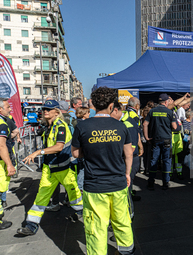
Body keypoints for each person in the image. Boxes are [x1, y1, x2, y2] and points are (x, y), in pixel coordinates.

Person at [71, 87, 134, 255]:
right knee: (122, 222)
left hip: (94, 186)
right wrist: (127, 174)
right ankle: (127, 251)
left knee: (96, 227)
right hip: (118, 182)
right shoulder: (121, 127)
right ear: (111, 105)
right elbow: (129, 154)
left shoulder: (82, 126)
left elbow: (76, 153)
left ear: (93, 104)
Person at [17, 100, 83, 236]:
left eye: (49, 109)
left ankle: (83, 213)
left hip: (64, 168)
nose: (45, 111)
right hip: (50, 168)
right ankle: (31, 225)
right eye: (44, 109)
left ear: (56, 112)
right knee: (41, 196)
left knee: (74, 195)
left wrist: (37, 152)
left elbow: (59, 146)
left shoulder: (61, 126)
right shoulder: (49, 126)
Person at [144, 93, 177, 190]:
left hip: (155, 139)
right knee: (166, 161)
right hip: (166, 139)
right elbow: (175, 127)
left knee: (154, 160)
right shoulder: (169, 112)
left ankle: (151, 182)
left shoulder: (152, 111)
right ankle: (165, 183)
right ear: (166, 102)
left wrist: (146, 137)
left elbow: (145, 124)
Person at [111, 103, 142, 205]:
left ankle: (129, 209)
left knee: (126, 185)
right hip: (127, 158)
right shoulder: (124, 120)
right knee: (128, 183)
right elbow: (137, 135)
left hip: (129, 158)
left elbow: (131, 149)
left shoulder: (128, 124)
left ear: (115, 110)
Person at [0, 98, 16, 230]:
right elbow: (1, 146)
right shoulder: (2, 124)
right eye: (7, 107)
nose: (10, 109)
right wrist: (9, 164)